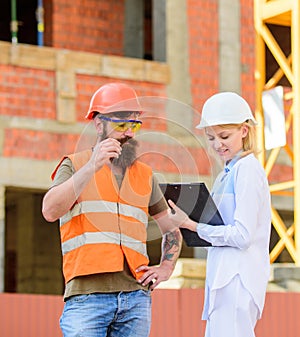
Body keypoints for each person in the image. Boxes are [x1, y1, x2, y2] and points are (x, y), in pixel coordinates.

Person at [42, 82, 182, 337]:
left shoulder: (144, 175)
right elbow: (50, 210)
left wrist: (166, 268)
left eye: (134, 125)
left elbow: (171, 229)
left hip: (135, 300)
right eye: (121, 124)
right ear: (98, 124)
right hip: (87, 299)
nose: (129, 132)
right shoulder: (75, 165)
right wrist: (92, 167)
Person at [168, 92, 271, 337]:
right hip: (225, 278)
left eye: (224, 136)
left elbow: (242, 235)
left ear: (244, 131)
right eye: (211, 137)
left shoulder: (247, 170)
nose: (217, 144)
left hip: (237, 279)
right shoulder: (229, 171)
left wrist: (193, 226)